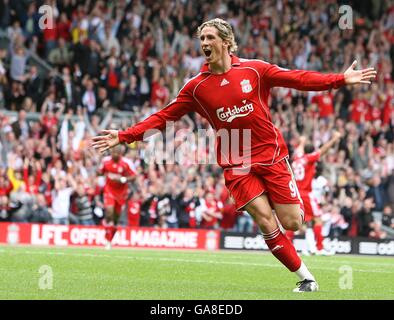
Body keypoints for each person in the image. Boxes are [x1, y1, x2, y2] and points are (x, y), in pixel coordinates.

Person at [92, 18, 376, 292]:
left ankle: (294, 205)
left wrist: (340, 79)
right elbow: (164, 117)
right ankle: (306, 278)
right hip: (236, 164)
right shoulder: (196, 87)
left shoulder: (255, 70)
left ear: (226, 42)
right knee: (265, 220)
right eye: (202, 38)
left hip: (271, 155)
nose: (204, 42)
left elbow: (298, 79)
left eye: (210, 37)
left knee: (292, 223)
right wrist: (124, 136)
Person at [290, 132, 342, 255]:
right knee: (317, 220)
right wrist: (334, 139)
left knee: (295, 221)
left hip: (296, 193)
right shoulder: (308, 159)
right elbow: (322, 150)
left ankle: (289, 247)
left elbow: (299, 151)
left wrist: (302, 141)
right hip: (306, 193)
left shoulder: (297, 159)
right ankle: (319, 248)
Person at [98, 145, 136, 249]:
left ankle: (109, 240)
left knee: (115, 219)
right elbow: (100, 172)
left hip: (121, 193)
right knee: (109, 212)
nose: (114, 154)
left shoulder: (126, 163)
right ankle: (107, 238)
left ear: (120, 154)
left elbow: (134, 176)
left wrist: (123, 179)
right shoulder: (105, 161)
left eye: (117, 153)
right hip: (109, 190)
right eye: (113, 152)